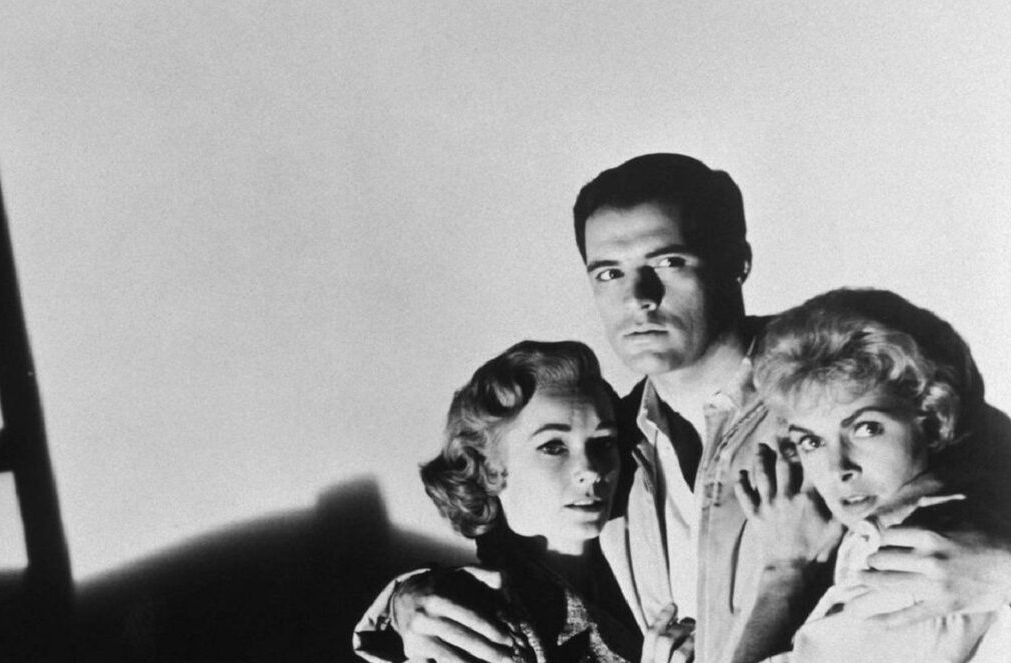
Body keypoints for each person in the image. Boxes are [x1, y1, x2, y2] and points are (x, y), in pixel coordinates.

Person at [353, 153, 1011, 663]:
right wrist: (407, 599)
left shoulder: (842, 388)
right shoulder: (606, 445)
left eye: (668, 261)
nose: (638, 295)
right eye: (608, 271)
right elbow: (522, 564)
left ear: (737, 263)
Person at [734, 288, 1011, 662]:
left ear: (933, 420)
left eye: (866, 429)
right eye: (812, 442)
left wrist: (782, 572)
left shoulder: (923, 555)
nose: (838, 468)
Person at [406, 339, 686, 662]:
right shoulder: (478, 619)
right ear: (488, 468)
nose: (591, 470)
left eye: (604, 442)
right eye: (553, 447)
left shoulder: (652, 546)